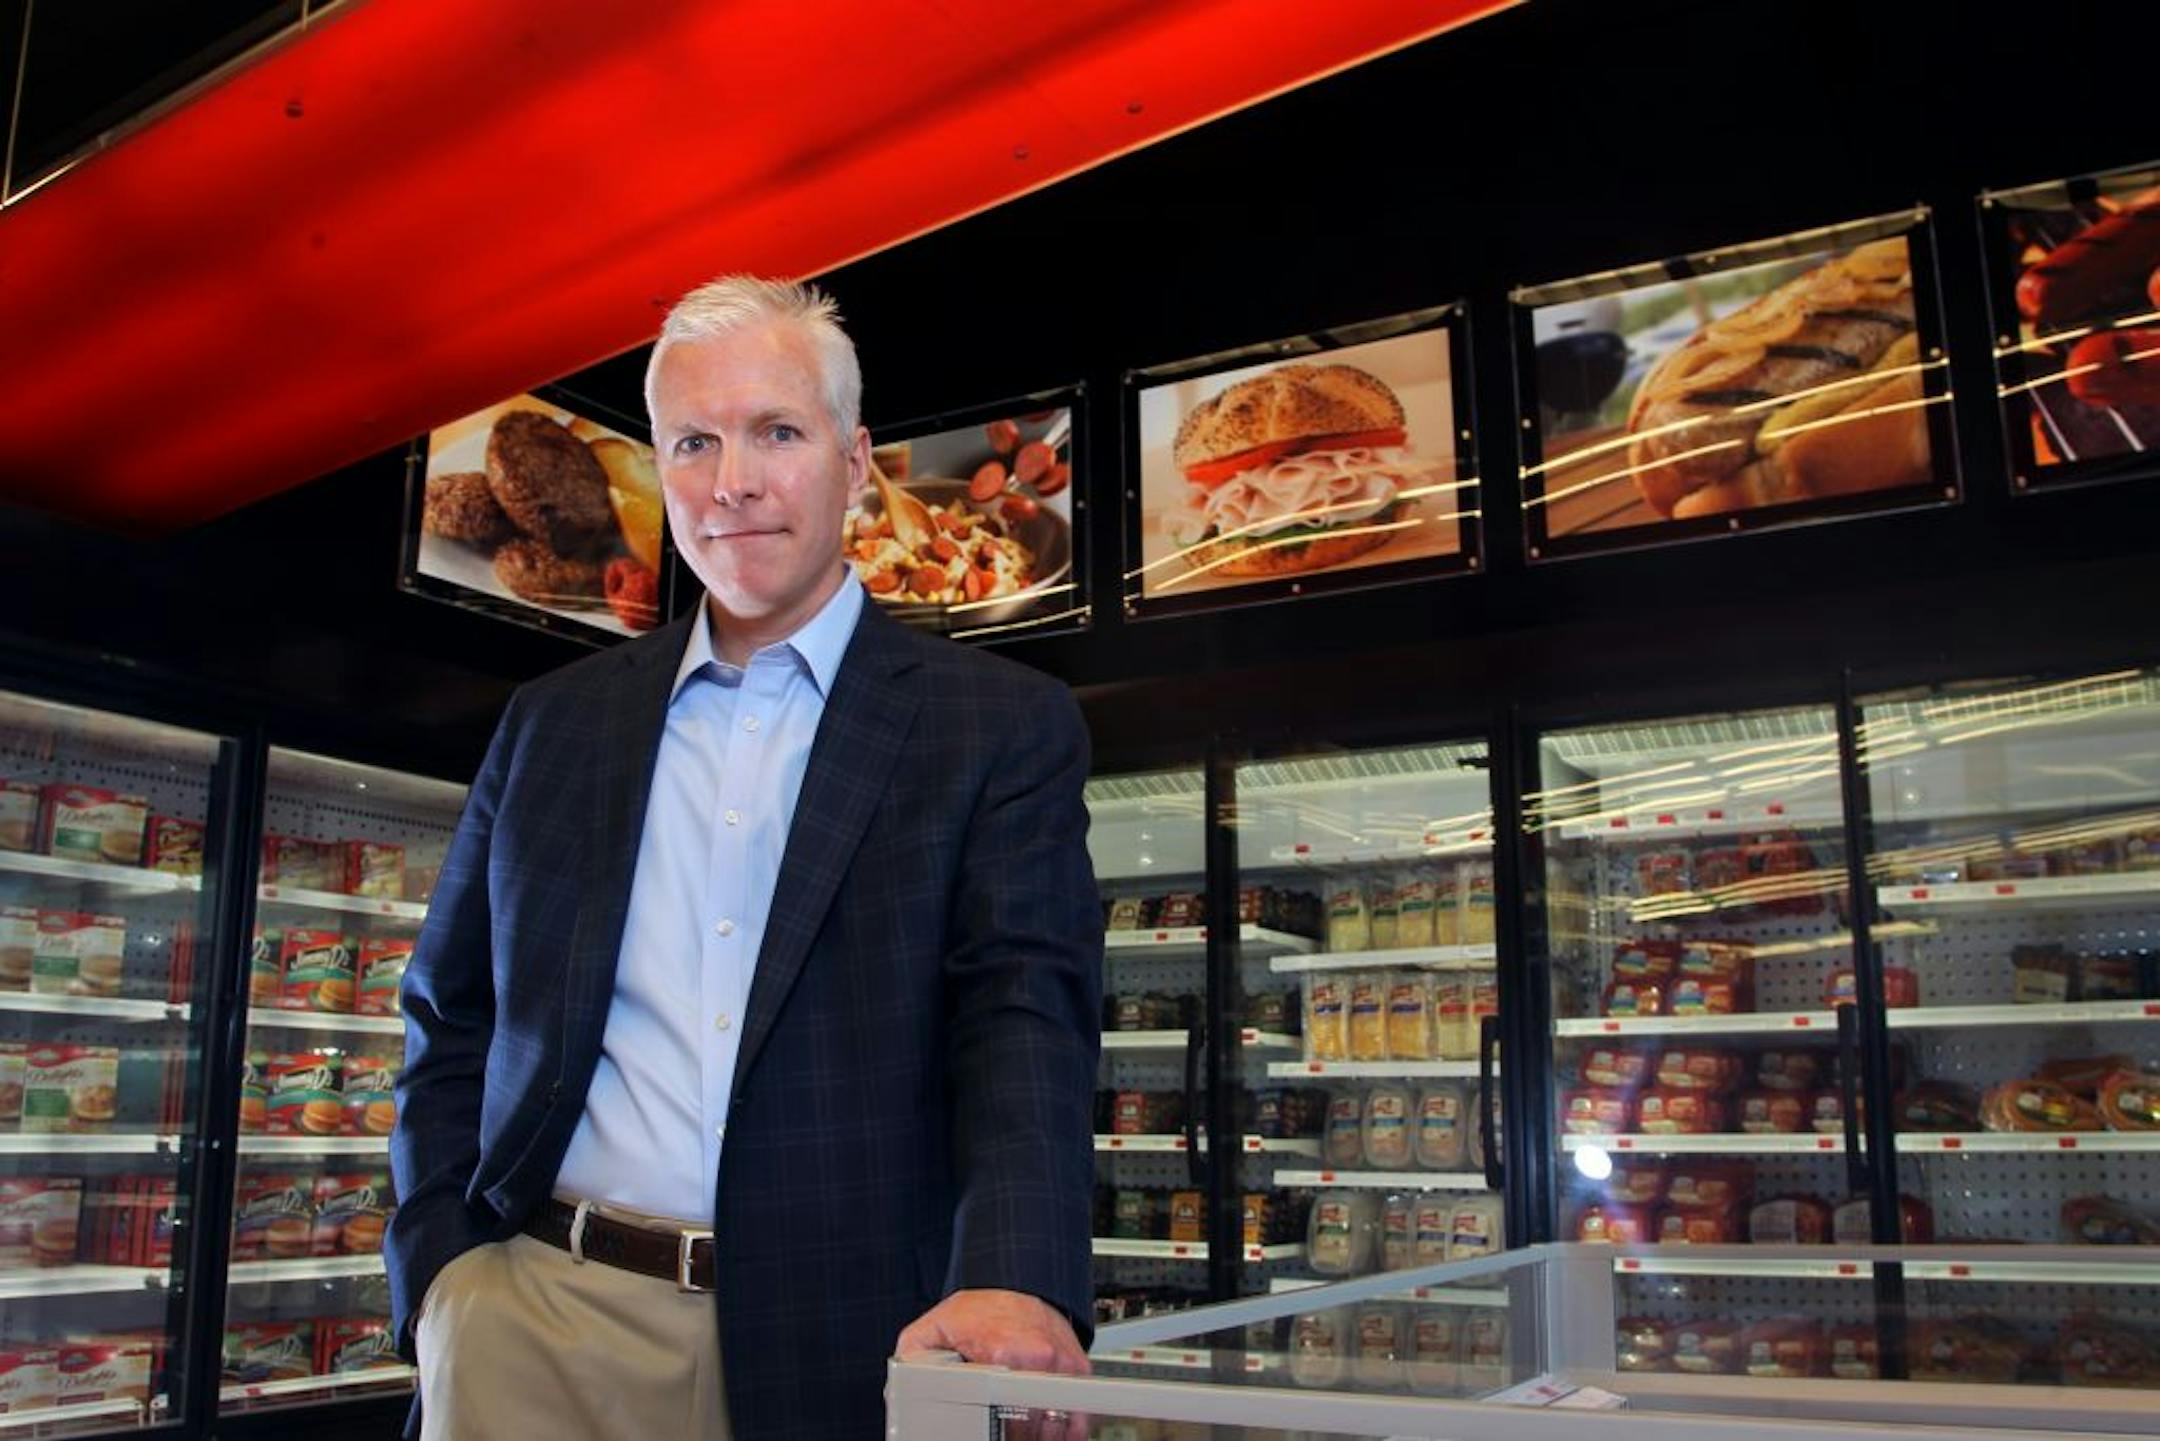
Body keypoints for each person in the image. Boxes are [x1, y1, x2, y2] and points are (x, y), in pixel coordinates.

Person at [387, 275, 1102, 1440]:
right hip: (532, 1319)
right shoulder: (552, 720)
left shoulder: (998, 724)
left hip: (854, 1334)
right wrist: (441, 1277)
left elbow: (1022, 1015)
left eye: (778, 431)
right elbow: (450, 1010)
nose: (734, 483)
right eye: (694, 442)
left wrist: (1016, 1273)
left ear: (855, 458)